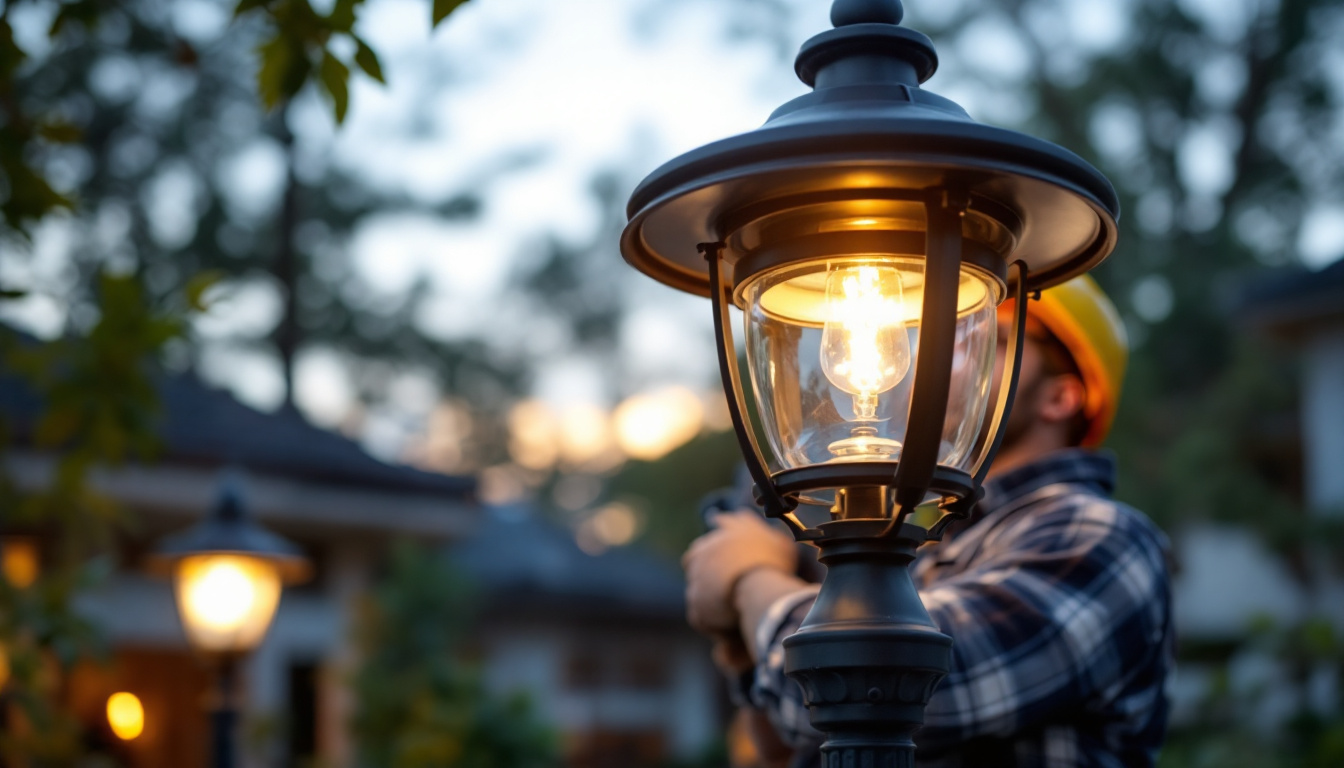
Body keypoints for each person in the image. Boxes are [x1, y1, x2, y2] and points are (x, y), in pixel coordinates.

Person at [683, 276, 1174, 768]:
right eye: (954, 337)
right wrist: (745, 645)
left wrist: (749, 578)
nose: (946, 359)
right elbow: (788, 746)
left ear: (1058, 399)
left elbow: (884, 692)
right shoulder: (932, 548)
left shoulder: (1096, 536)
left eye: (990, 342)